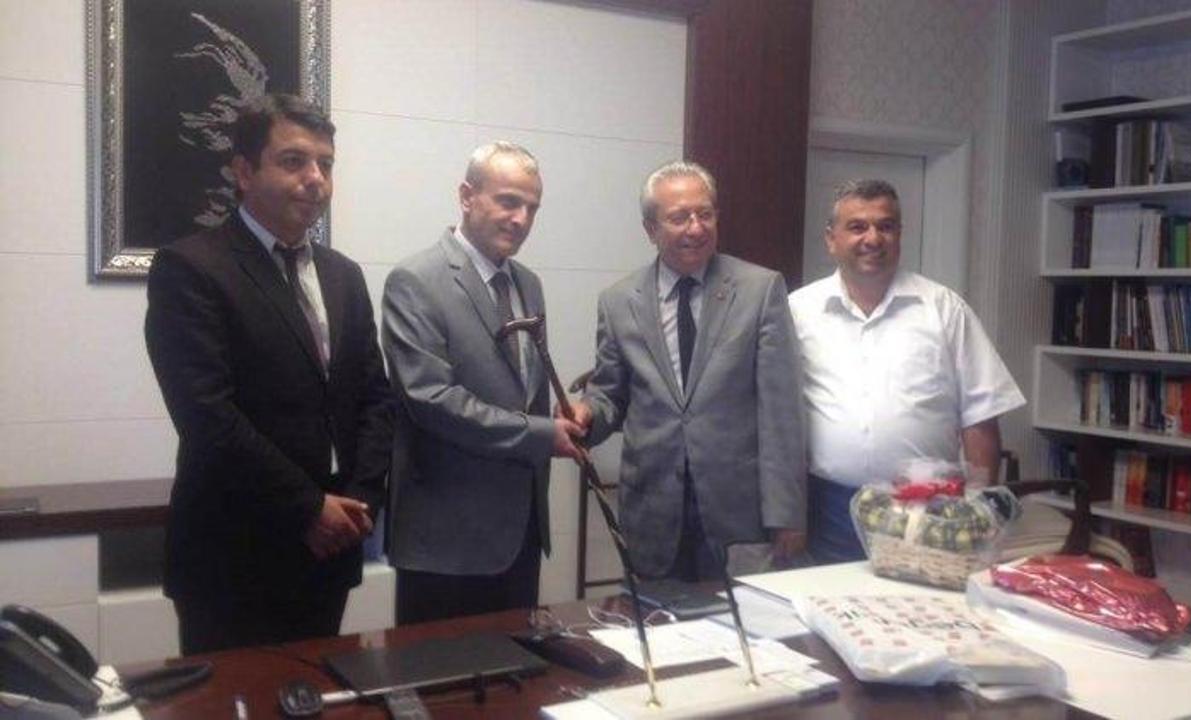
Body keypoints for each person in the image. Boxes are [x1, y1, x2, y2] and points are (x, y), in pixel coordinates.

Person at [144, 93, 393, 655]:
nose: (315, 179)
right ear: (243, 172)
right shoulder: (191, 268)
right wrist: (309, 509)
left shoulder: (344, 276)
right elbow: (207, 416)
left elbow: (375, 398)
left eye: (326, 164)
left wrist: (358, 503)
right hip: (234, 558)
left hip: (330, 549)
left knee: (318, 691)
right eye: (293, 161)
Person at [571, 161, 806, 581]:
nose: (696, 228)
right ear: (650, 229)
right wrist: (587, 414)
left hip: (737, 513)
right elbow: (610, 393)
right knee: (657, 621)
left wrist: (786, 513)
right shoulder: (618, 301)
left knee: (742, 622)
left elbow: (781, 410)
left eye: (705, 214)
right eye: (680, 217)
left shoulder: (760, 289)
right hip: (652, 510)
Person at [381, 142, 585, 624]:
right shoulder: (415, 280)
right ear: (466, 196)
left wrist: (560, 415)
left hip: (520, 535)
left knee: (517, 666)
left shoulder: (528, 284)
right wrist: (542, 434)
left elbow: (521, 390)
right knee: (441, 672)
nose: (521, 219)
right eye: (509, 201)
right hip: (446, 545)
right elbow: (431, 400)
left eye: (532, 207)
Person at [788, 179, 1025, 564]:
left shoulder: (943, 308)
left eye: (885, 226)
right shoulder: (798, 311)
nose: (873, 238)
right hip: (829, 510)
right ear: (831, 239)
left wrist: (979, 512)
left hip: (930, 508)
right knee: (832, 599)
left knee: (921, 600)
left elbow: (980, 415)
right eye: (857, 227)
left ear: (899, 235)